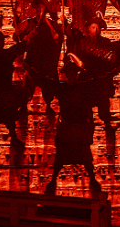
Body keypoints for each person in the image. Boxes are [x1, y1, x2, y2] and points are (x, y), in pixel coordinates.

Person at [36, 57, 104, 196]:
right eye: (70, 73)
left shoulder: (81, 87)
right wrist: (31, 71)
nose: (72, 75)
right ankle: (54, 179)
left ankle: (91, 178)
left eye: (74, 73)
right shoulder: (64, 88)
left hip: (79, 127)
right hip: (68, 127)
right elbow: (44, 81)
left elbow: (100, 81)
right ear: (67, 75)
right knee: (61, 158)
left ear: (76, 74)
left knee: (85, 156)